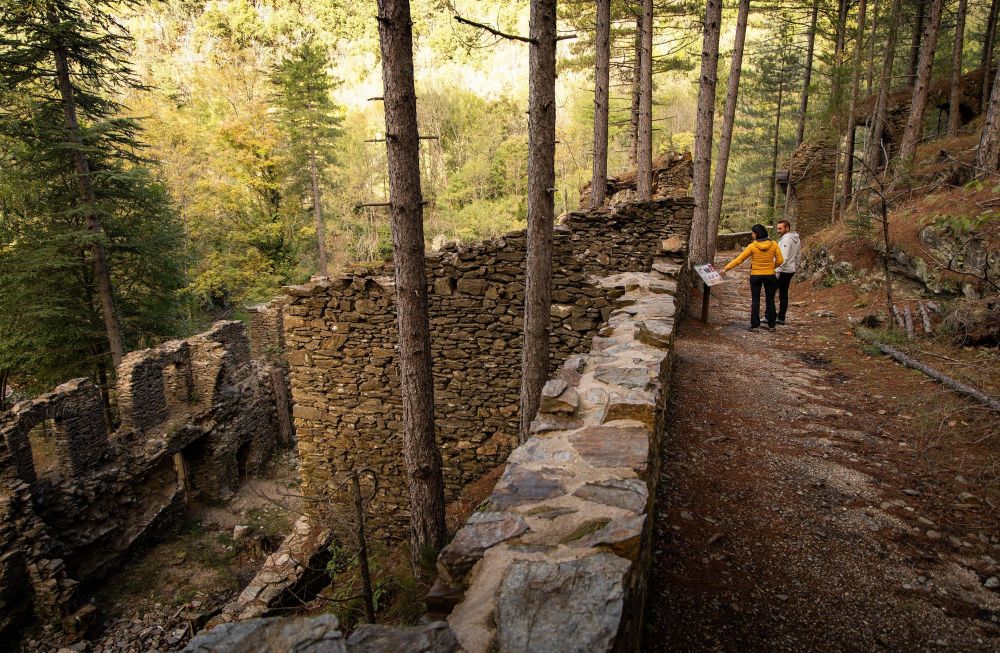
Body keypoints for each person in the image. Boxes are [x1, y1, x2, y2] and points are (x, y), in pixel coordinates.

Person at [718, 223, 784, 331]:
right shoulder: (774, 244)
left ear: (757, 234)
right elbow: (780, 260)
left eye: (753, 233)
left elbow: (739, 260)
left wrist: (725, 268)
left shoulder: (752, 246)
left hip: (756, 275)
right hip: (770, 275)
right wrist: (772, 267)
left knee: (755, 300)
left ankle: (755, 326)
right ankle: (772, 325)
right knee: (770, 300)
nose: (752, 235)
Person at [775, 219, 800, 325]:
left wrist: (777, 270)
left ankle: (769, 316)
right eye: (777, 228)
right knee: (783, 294)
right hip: (790, 269)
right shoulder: (796, 238)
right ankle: (781, 317)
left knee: (771, 292)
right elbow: (798, 255)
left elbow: (783, 258)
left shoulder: (786, 240)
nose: (778, 230)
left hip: (783, 270)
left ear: (787, 228)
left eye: (780, 228)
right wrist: (796, 267)